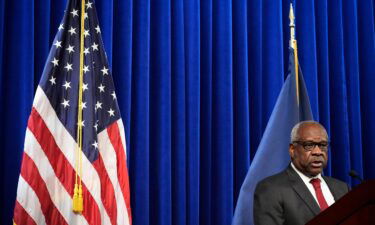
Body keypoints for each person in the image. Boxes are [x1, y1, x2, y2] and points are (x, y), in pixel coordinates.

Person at [253, 121, 349, 225]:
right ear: (292, 149)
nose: (318, 152)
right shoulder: (271, 189)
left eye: (322, 145)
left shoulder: (342, 189)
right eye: (309, 145)